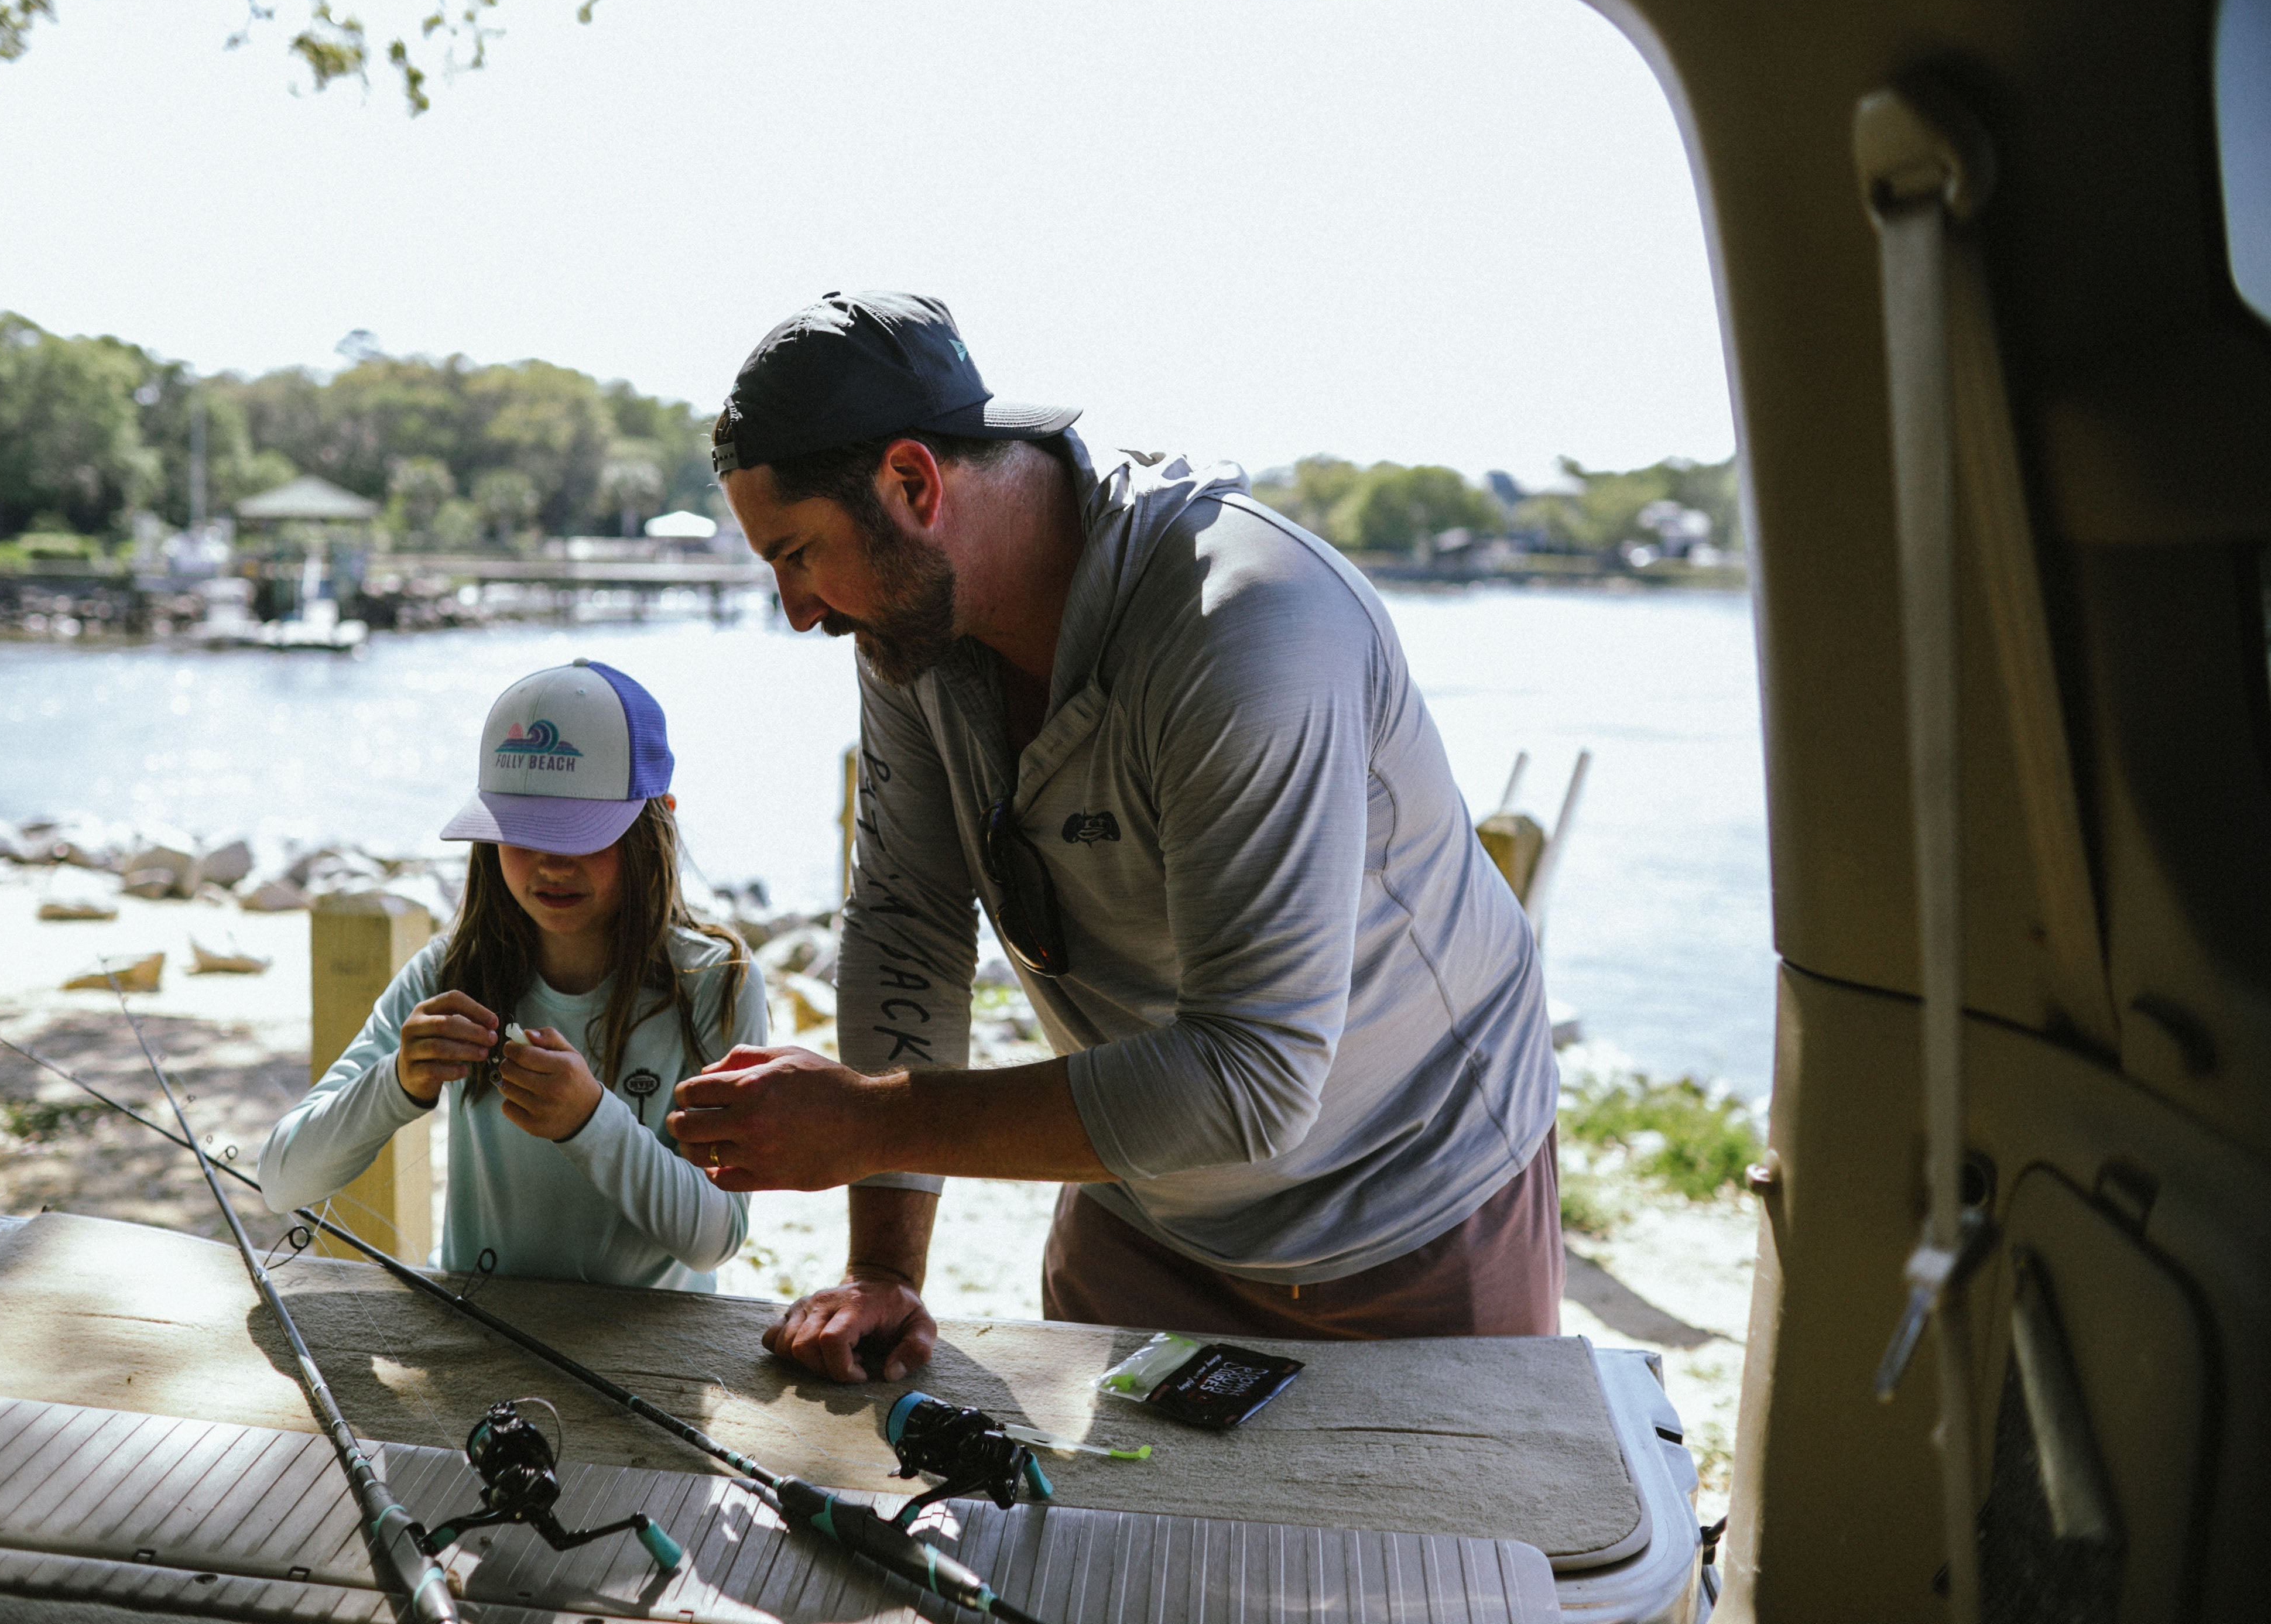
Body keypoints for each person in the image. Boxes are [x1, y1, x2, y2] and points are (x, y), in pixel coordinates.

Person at [670, 291, 1561, 1382]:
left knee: (1423, 1558)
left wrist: (866, 1122)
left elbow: (1255, 1075)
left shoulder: (1246, 627)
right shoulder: (914, 628)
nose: (796, 608)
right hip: (1138, 1204)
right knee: (1104, 1548)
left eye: (799, 553)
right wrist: (884, 1268)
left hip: (1409, 1204)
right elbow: (907, 921)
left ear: (913, 482)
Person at [259, 659, 766, 1291]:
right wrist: (397, 1082)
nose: (551, 864)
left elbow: (715, 1238)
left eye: (581, 833)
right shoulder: (448, 973)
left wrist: (590, 1120)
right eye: (522, 831)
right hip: (479, 1330)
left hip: (654, 1346)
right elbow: (282, 1178)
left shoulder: (717, 982)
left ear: (656, 817)